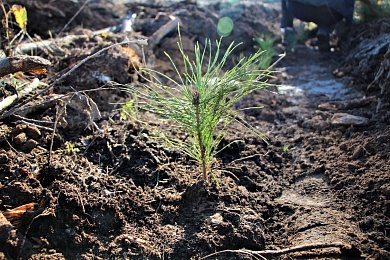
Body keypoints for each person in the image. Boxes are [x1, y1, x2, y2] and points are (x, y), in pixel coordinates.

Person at [281, 0, 356, 51]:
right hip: (331, 12)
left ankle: (288, 33)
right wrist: (350, 20)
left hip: (300, 8)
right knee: (328, 11)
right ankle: (323, 30)